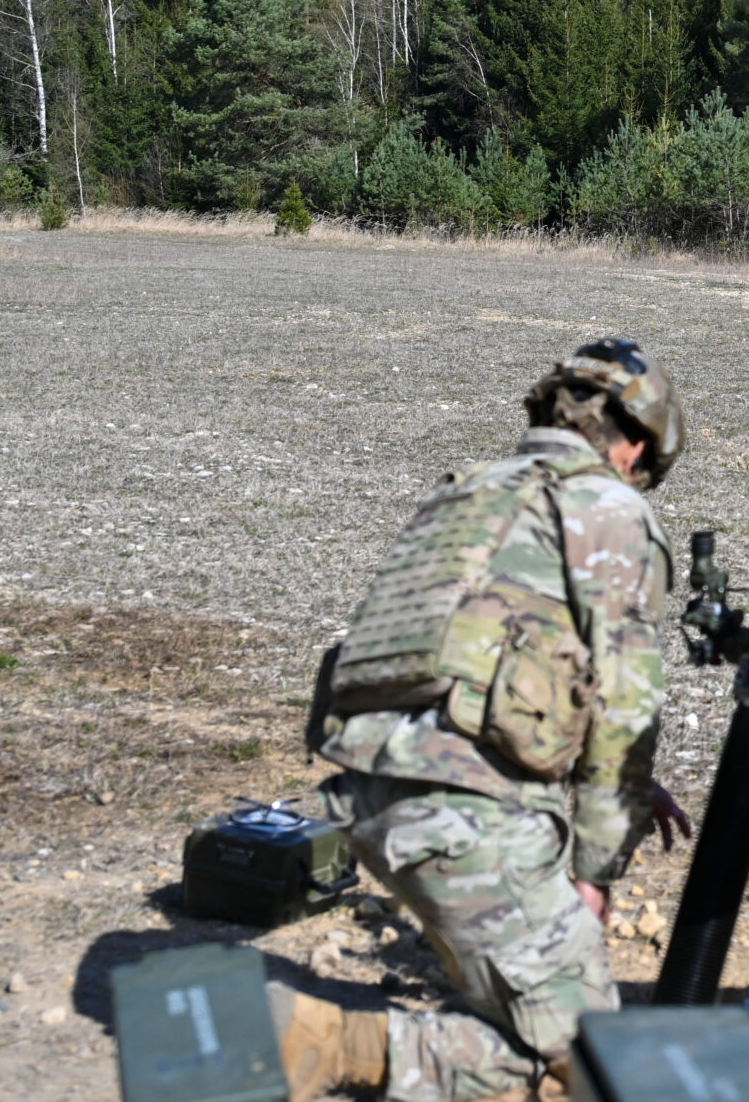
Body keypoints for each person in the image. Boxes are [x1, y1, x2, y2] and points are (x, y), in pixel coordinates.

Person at [284, 339, 692, 1102]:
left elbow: (482, 657)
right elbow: (626, 704)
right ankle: (324, 1040)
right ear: (635, 441)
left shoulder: (470, 490)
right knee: (599, 1059)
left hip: (374, 798)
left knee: (544, 1023)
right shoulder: (608, 507)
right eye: (645, 467)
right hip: (467, 819)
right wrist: (594, 876)